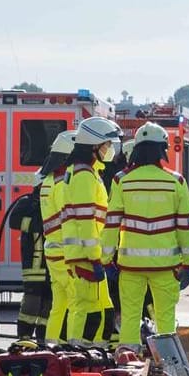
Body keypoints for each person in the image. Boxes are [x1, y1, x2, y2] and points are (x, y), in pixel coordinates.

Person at [108, 121, 189, 350]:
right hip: (166, 266)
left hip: (130, 265)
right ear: (162, 150)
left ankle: (127, 366)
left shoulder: (121, 180)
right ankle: (168, 369)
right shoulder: (176, 181)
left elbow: (111, 224)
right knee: (165, 320)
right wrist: (188, 263)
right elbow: (186, 227)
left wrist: (105, 258)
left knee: (129, 317)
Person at [54, 118, 118, 344]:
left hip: (84, 254)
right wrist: (96, 258)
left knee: (101, 308)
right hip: (85, 256)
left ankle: (90, 352)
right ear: (94, 145)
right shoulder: (82, 175)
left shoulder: (85, 172)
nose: (110, 149)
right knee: (85, 309)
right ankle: (75, 354)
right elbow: (86, 220)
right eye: (107, 145)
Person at [9, 130, 74, 342]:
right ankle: (24, 338)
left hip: (51, 262)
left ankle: (43, 339)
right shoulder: (26, 203)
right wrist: (37, 223)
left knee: (50, 303)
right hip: (34, 264)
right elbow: (14, 222)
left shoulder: (51, 199)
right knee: (31, 303)